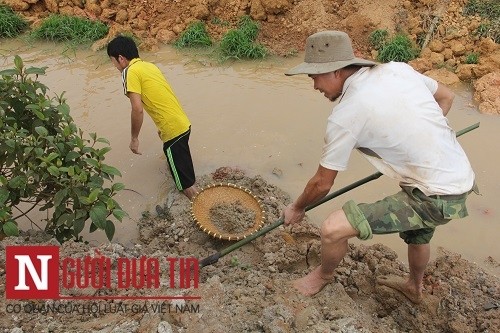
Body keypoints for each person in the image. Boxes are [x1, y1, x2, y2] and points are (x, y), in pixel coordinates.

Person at [283, 31, 476, 303]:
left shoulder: (346, 114)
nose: (314, 85)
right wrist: (420, 137)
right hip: (460, 179)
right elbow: (446, 97)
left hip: (435, 195)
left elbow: (322, 183)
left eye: (314, 76)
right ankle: (414, 286)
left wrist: (298, 207)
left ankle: (321, 277)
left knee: (332, 228)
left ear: (336, 71)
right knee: (419, 233)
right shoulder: (398, 70)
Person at [107, 35, 198, 200]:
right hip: (183, 124)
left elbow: (137, 109)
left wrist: (134, 138)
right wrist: (161, 126)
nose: (114, 65)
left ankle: (201, 209)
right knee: (180, 169)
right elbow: (161, 95)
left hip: (173, 132)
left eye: (112, 61)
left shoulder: (129, 72)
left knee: (186, 187)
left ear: (120, 58)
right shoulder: (149, 66)